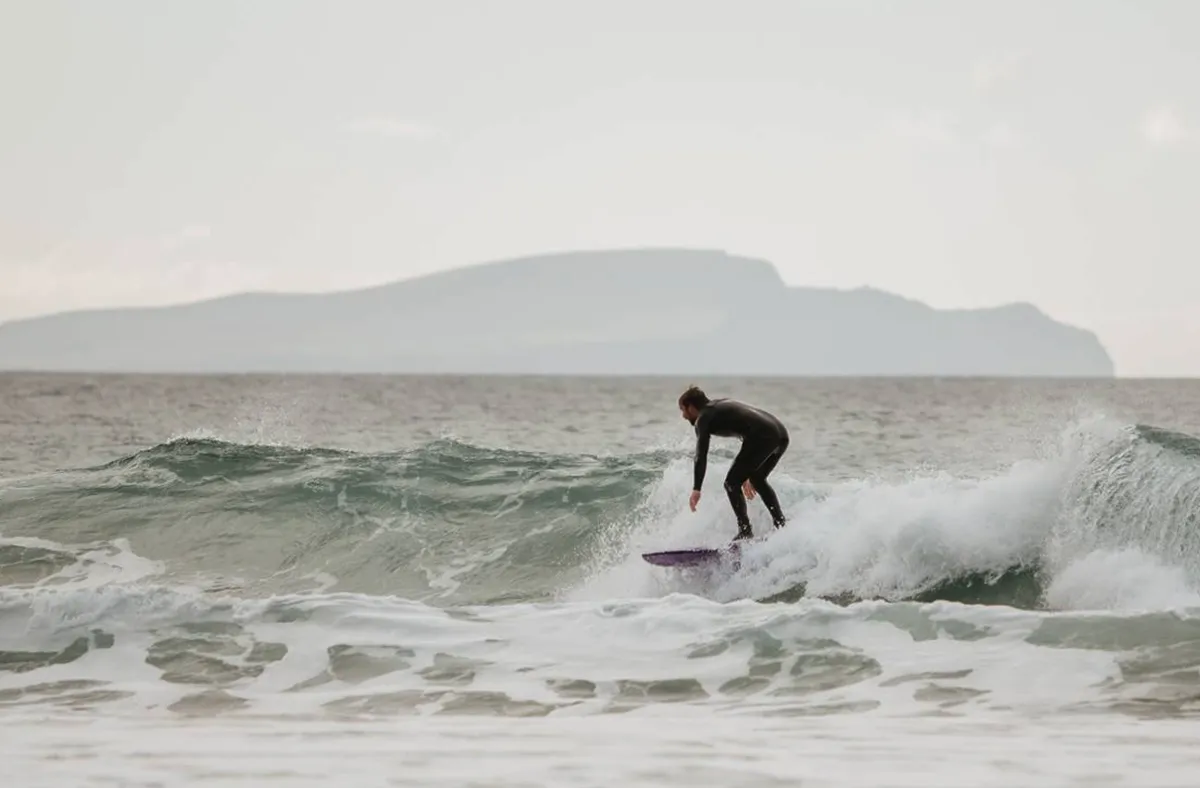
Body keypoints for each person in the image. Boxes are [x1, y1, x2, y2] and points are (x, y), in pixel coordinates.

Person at [677, 384, 790, 541]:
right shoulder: (719, 406)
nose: (683, 416)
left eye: (682, 410)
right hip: (781, 435)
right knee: (756, 479)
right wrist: (747, 473)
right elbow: (750, 431)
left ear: (690, 406)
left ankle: (745, 531)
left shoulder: (703, 418)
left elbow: (701, 455)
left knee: (731, 483)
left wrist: (697, 488)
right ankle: (781, 524)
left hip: (764, 436)